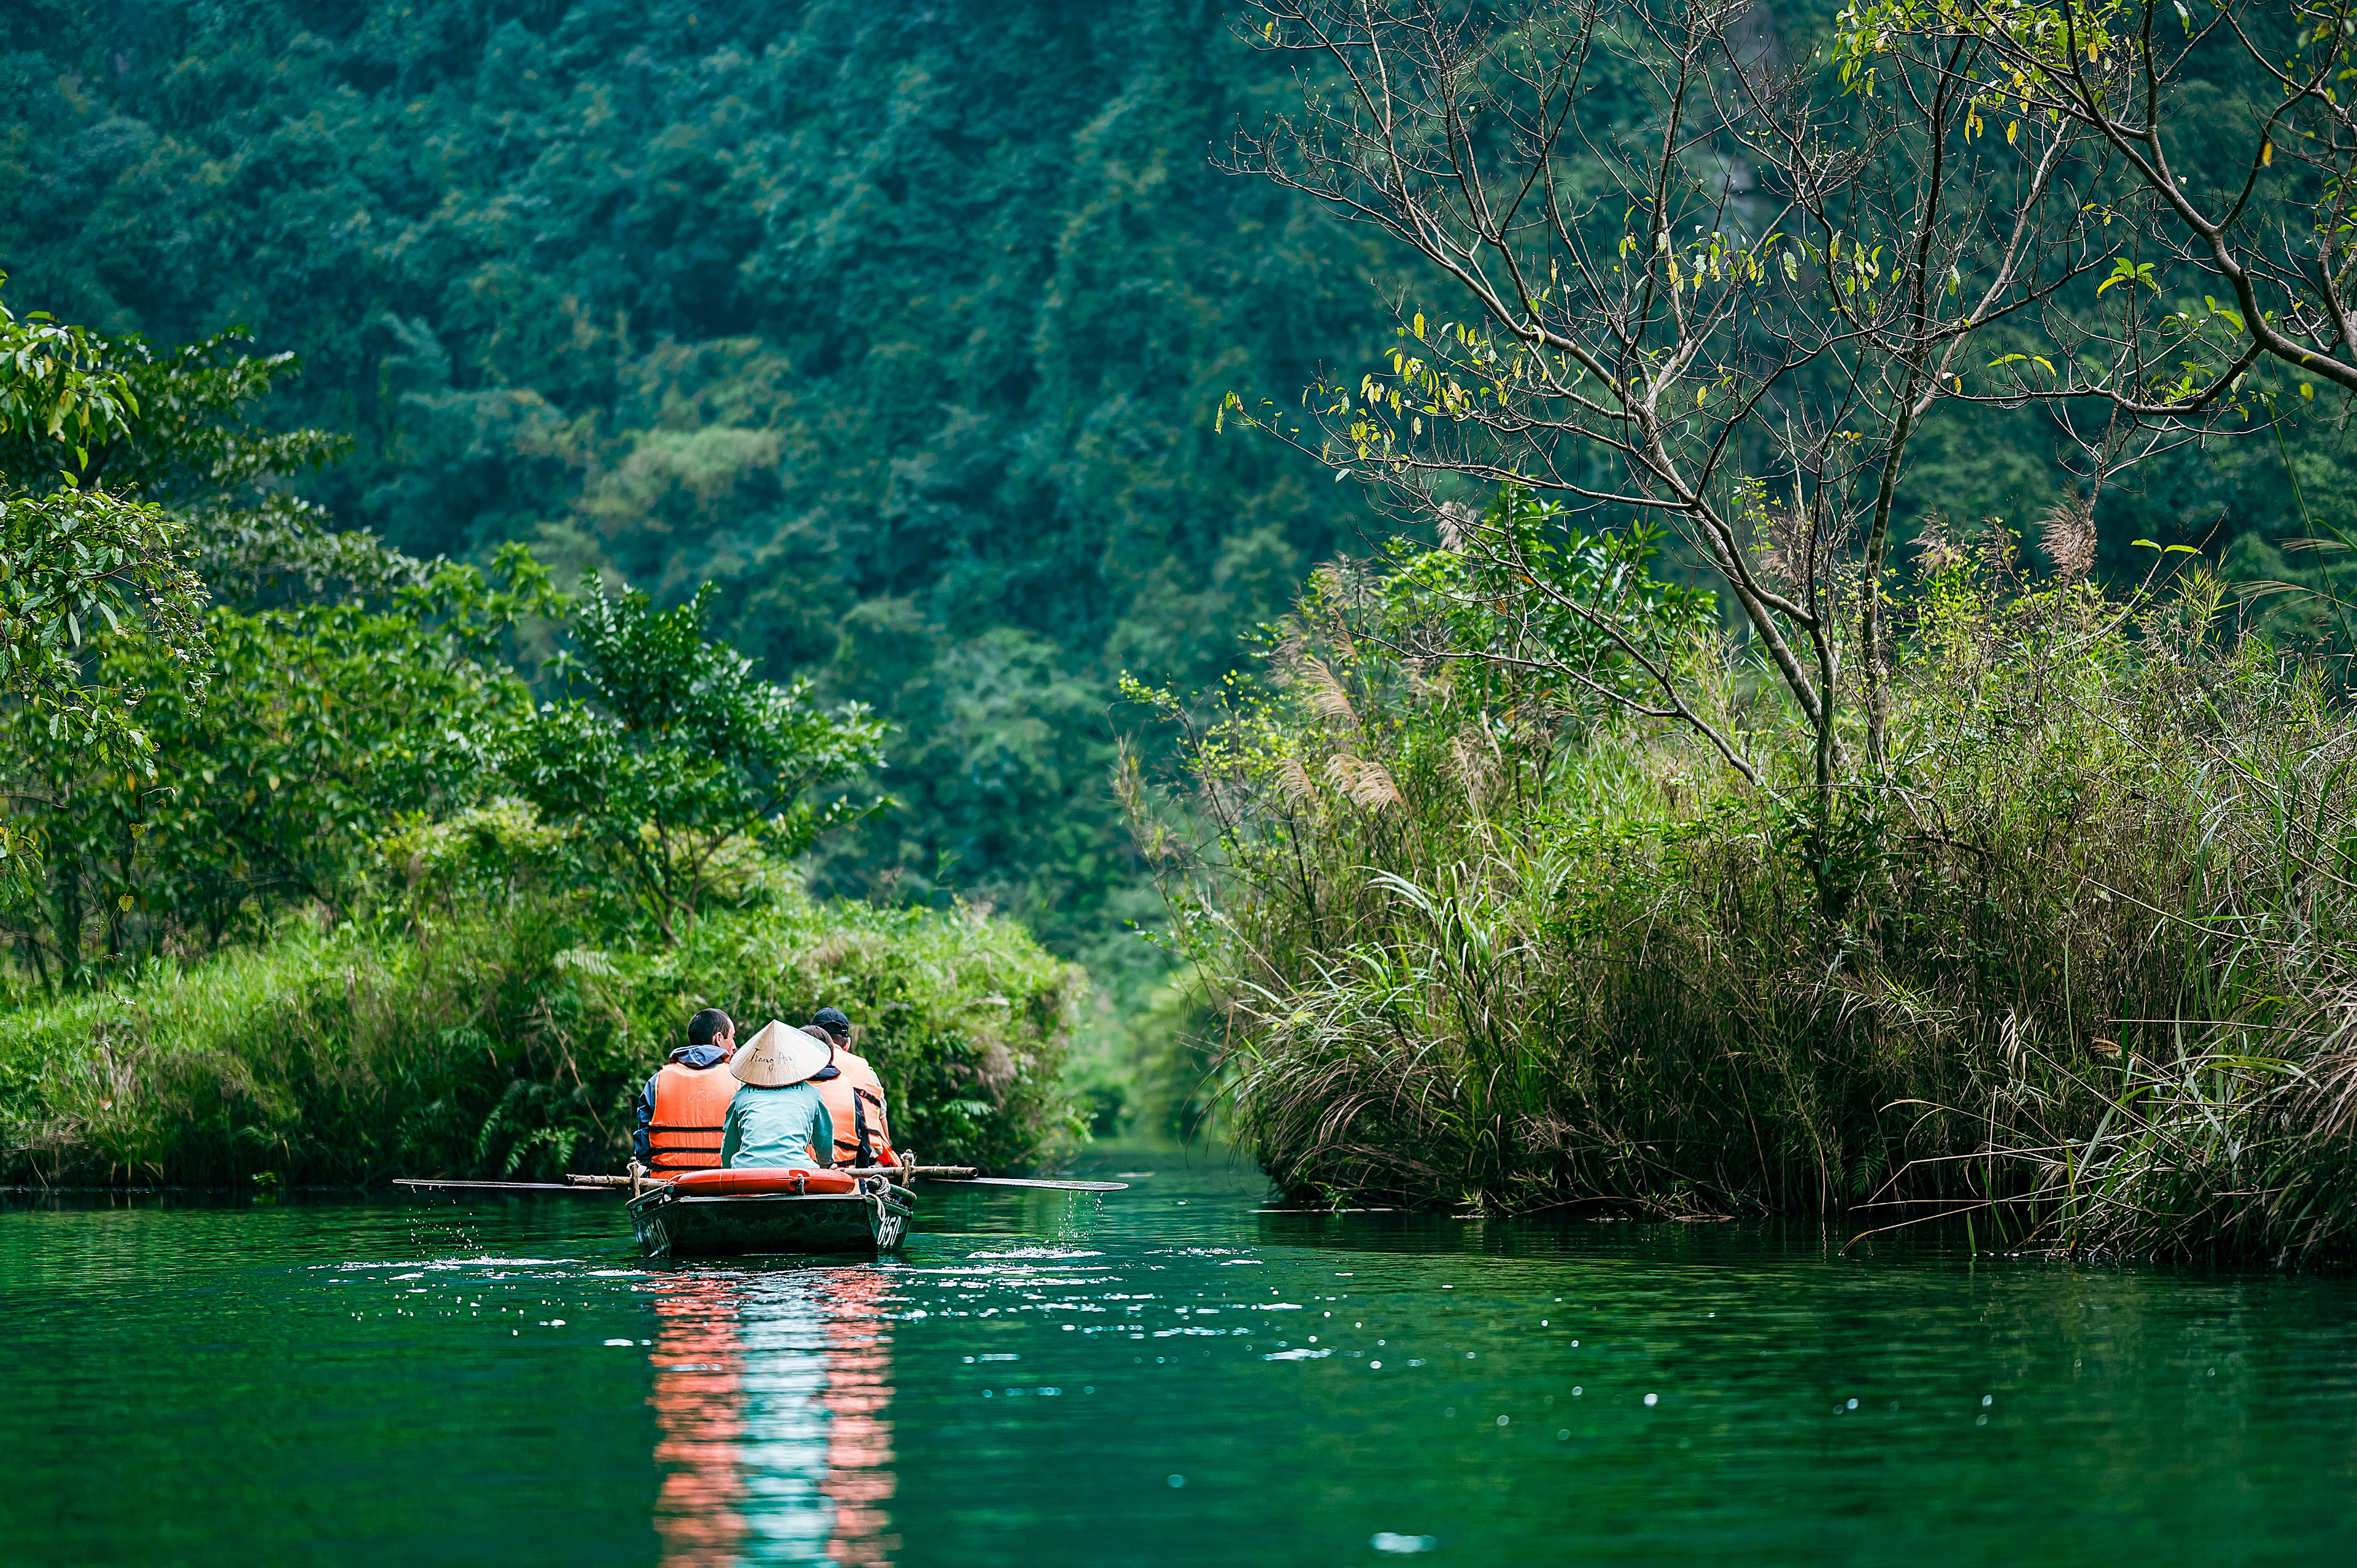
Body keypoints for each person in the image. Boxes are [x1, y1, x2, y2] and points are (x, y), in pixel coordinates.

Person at [719, 1021, 835, 1170]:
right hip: (798, 1169)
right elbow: (824, 1139)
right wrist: (825, 1165)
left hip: (746, 1171)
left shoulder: (742, 1096)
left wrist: (727, 1170)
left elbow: (730, 1145)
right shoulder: (812, 1094)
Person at [635, 1008, 739, 1174]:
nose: (734, 1046)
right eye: (732, 1038)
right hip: (721, 1184)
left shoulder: (657, 1082)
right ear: (719, 1039)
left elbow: (643, 1148)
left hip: (666, 1186)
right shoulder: (737, 1082)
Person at [803, 1006, 899, 1169]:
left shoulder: (799, 1070)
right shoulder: (867, 1073)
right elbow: (883, 1128)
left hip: (809, 1163)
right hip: (860, 1164)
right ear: (847, 1044)